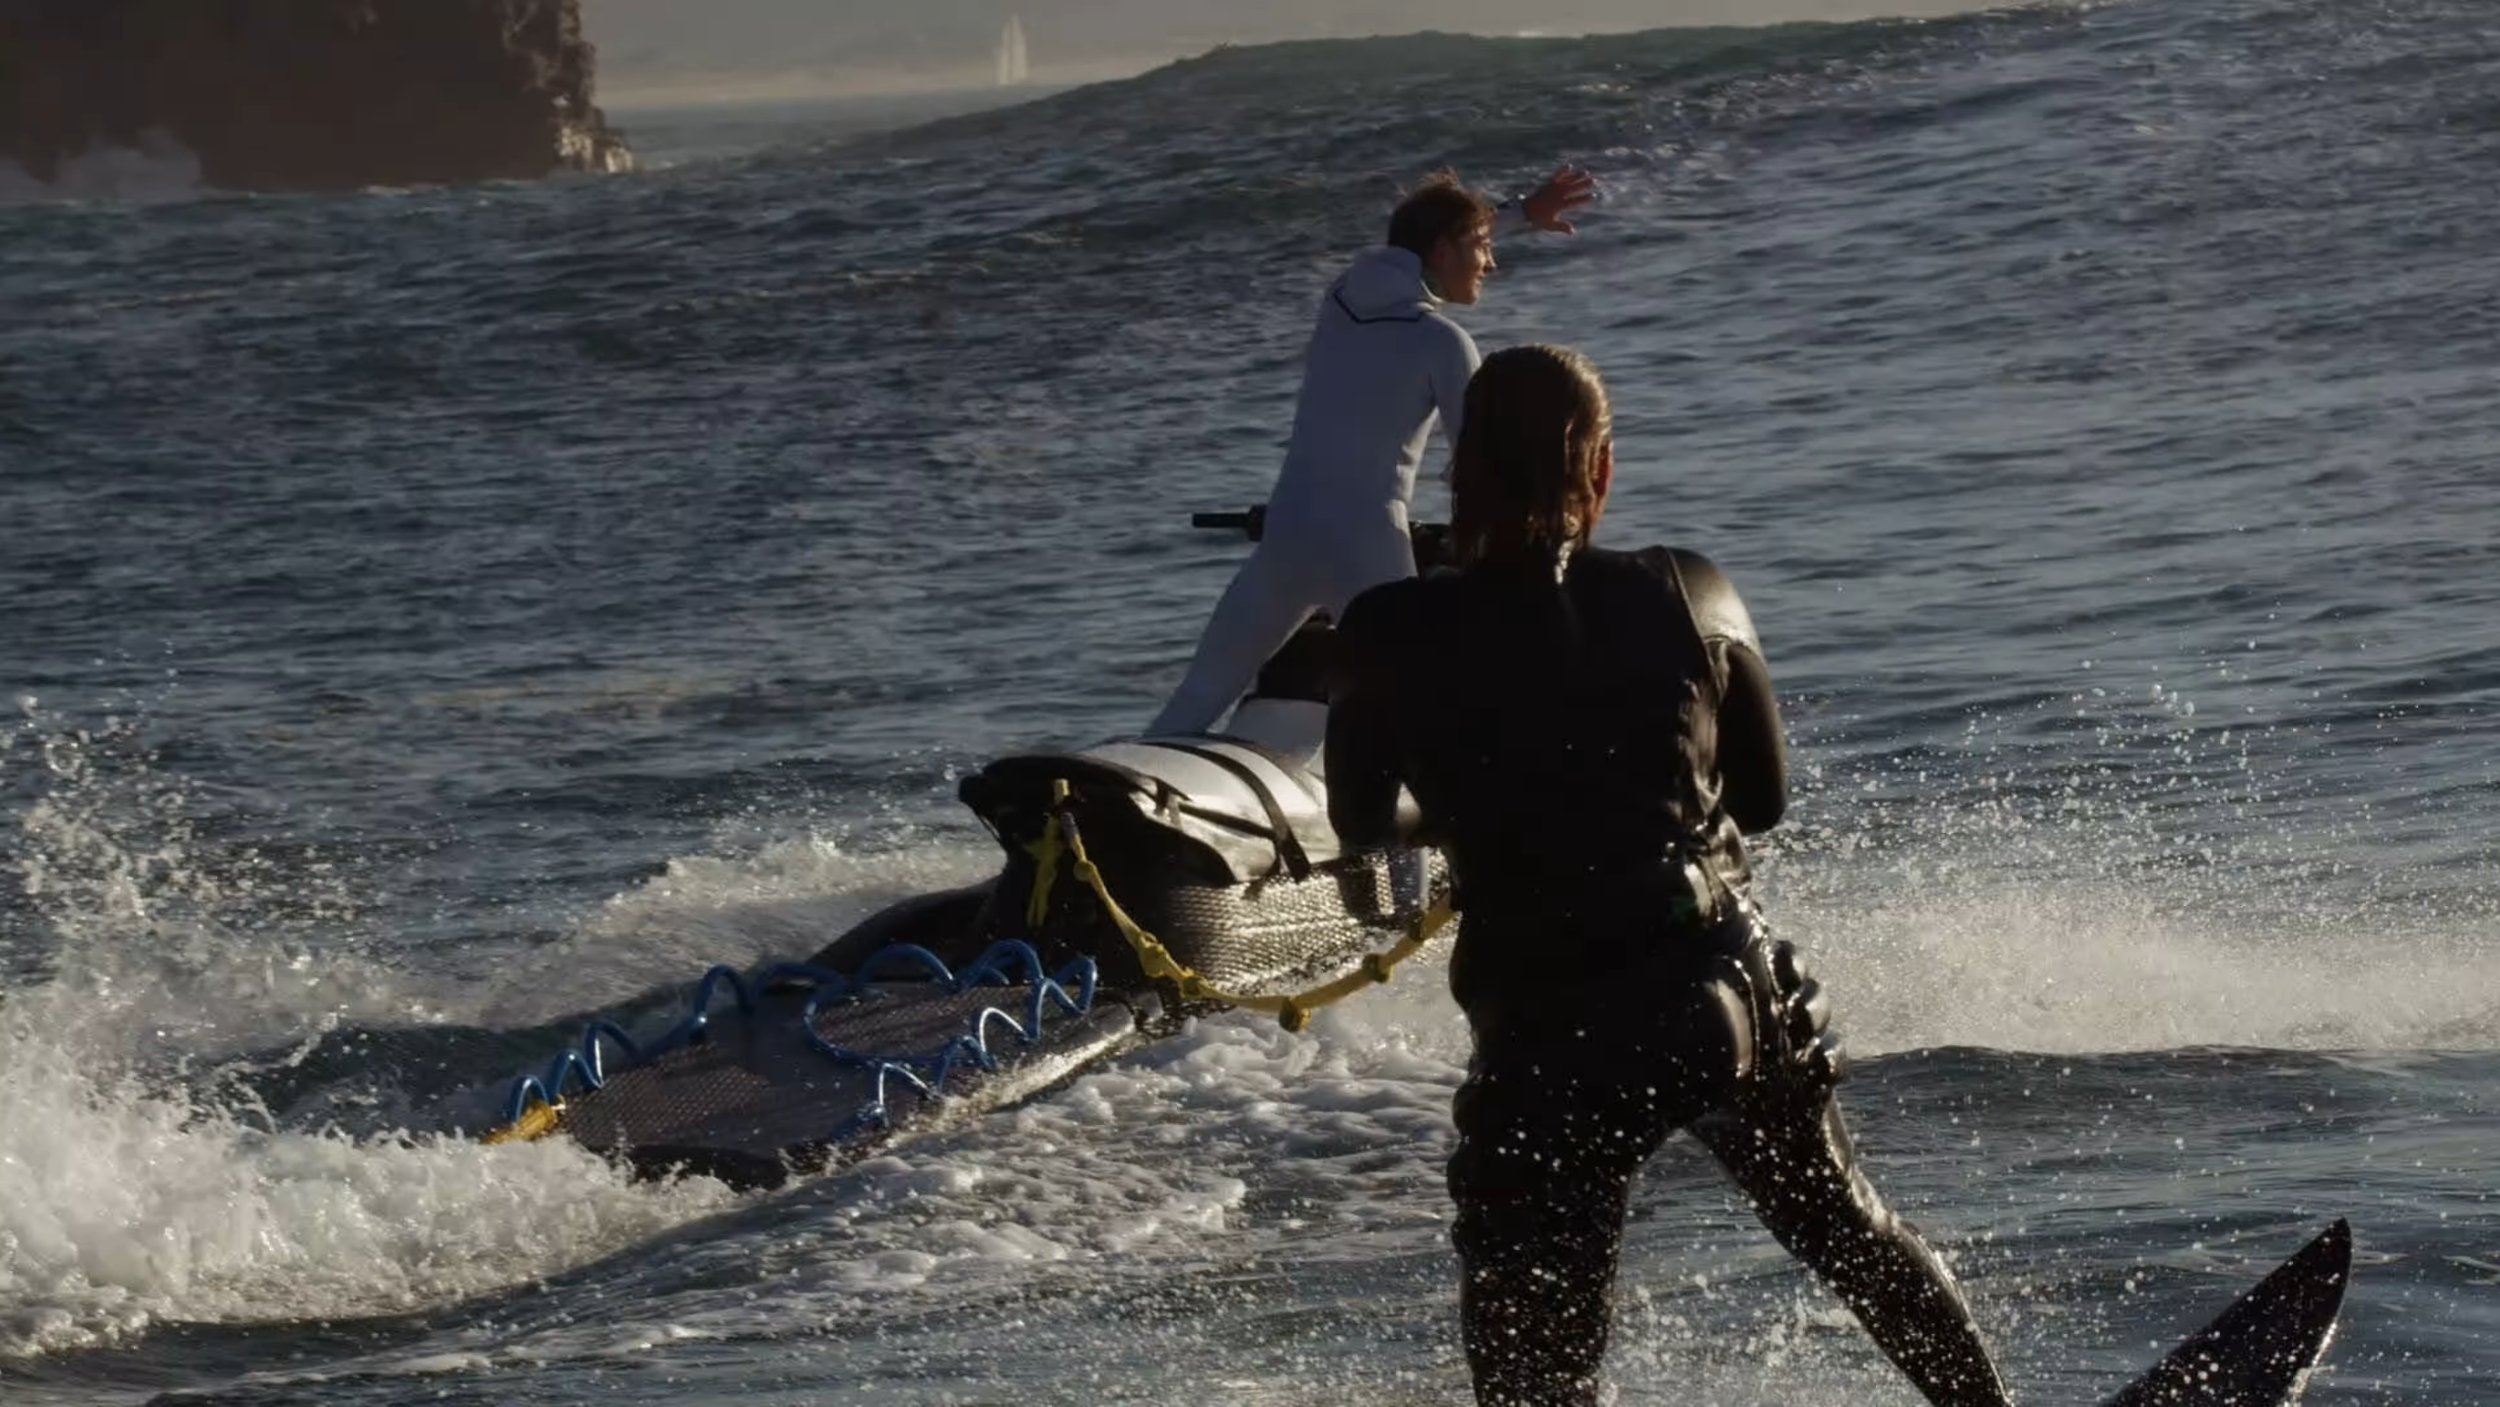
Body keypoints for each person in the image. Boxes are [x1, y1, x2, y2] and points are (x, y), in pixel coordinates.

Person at [1324, 344, 2016, 1407]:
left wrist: (1466, 798)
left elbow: (1367, 830)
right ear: (1599, 470)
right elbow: (1763, 798)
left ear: (1461, 472)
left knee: (1535, 1372)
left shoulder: (1384, 631)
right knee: (1853, 1232)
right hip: (1719, 990)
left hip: (1549, 1033)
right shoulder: (1693, 591)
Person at [1144, 163, 1599, 738]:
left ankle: (1122, 777)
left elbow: (1418, 244)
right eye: (1483, 247)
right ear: (1443, 251)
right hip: (1366, 545)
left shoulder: (1340, 298)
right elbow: (1477, 465)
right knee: (1425, 701)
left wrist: (1521, 214)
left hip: (1288, 532)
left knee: (1199, 695)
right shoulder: (1444, 342)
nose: (1491, 262)